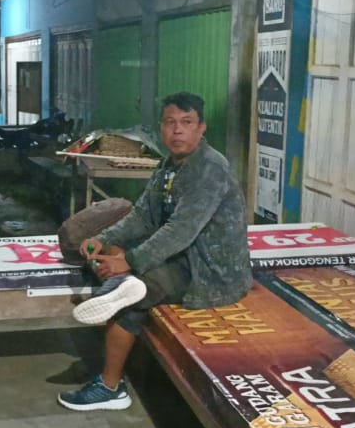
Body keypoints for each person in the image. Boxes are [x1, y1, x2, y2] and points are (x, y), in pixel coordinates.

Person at [57, 92, 253, 411]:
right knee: (123, 267)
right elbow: (143, 216)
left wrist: (129, 261)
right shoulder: (168, 166)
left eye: (186, 123)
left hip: (210, 273)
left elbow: (180, 230)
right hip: (183, 258)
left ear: (201, 128)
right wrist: (103, 239)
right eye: (170, 122)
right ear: (161, 128)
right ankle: (123, 287)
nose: (177, 130)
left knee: (131, 298)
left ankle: (110, 387)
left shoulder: (209, 169)